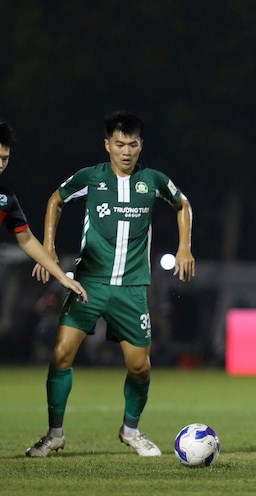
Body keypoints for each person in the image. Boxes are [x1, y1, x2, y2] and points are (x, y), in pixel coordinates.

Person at [25, 111, 195, 458]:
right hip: (88, 284)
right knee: (60, 354)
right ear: (107, 145)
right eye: (119, 144)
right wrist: (49, 247)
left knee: (139, 367)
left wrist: (184, 247)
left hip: (131, 289)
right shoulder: (92, 177)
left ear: (141, 145)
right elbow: (55, 200)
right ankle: (55, 434)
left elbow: (183, 204)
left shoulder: (153, 180)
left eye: (133, 144)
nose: (126, 151)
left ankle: (130, 430)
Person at [0, 120, 87, 299]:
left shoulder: (5, 199)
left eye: (5, 158)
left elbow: (26, 240)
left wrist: (62, 277)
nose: (1, 163)